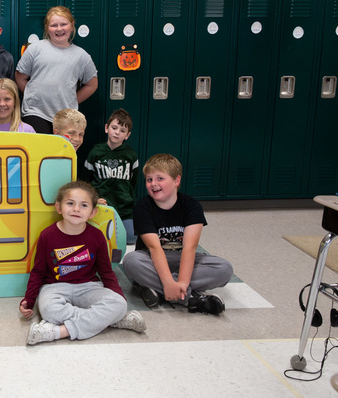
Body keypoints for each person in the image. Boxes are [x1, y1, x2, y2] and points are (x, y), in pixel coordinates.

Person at [19, 181, 146, 345]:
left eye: (83, 205)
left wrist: (118, 298)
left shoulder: (97, 236)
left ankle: (58, 332)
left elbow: (106, 272)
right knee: (48, 310)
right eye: (70, 203)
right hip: (55, 287)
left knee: (119, 304)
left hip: (88, 286)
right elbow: (38, 272)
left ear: (92, 212)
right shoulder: (47, 236)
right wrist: (29, 300)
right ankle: (112, 320)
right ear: (59, 207)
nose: (76, 209)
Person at [121, 154, 233, 315]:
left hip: (184, 258)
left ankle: (159, 290)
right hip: (152, 258)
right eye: (149, 179)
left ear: (176, 181)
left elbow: (190, 247)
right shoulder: (142, 207)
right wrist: (169, 282)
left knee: (224, 268)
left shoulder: (191, 206)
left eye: (160, 178)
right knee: (131, 261)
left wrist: (181, 282)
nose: (153, 184)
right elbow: (154, 248)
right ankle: (190, 298)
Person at [15, 6, 98, 134]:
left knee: (60, 153)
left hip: (65, 116)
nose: (59, 29)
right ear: (47, 28)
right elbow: (20, 76)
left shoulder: (81, 56)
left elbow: (92, 84)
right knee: (39, 152)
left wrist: (73, 100)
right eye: (54, 25)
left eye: (63, 24)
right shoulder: (35, 48)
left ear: (72, 25)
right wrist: (32, 94)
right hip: (35, 112)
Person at [83, 108, 139, 245]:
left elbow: (133, 181)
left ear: (127, 135)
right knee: (99, 237)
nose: (117, 132)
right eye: (114, 128)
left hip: (124, 207)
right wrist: (94, 199)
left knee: (131, 238)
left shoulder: (131, 155)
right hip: (102, 204)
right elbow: (86, 180)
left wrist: (127, 198)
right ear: (107, 128)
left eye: (122, 131)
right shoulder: (96, 152)